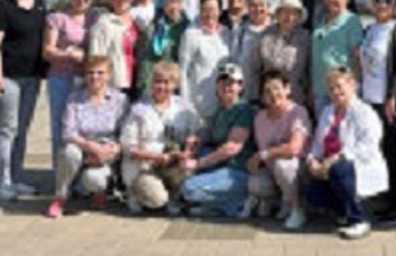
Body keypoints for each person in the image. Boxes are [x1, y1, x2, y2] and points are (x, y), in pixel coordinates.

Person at [0, 0, 48, 202]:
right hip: (7, 78)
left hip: (32, 77)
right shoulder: (2, 8)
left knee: (22, 130)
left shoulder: (40, 3)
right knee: (6, 129)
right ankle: (3, 181)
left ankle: (17, 176)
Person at [305, 67, 388, 239]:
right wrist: (312, 160)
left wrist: (338, 157)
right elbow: (318, 143)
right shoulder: (328, 111)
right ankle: (342, 212)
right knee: (313, 191)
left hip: (356, 167)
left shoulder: (364, 112)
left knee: (340, 169)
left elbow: (369, 146)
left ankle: (360, 220)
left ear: (352, 85)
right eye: (331, 88)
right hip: (329, 167)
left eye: (339, 86)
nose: (335, 92)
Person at [46, 55, 128, 218]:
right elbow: (68, 132)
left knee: (94, 179)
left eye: (100, 73)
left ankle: (98, 192)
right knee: (68, 152)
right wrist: (90, 147)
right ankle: (60, 197)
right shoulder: (74, 98)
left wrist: (111, 150)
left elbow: (126, 134)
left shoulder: (120, 100)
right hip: (81, 146)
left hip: (107, 150)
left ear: (109, 75)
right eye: (90, 72)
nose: (95, 77)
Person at [359, 0, 396, 223]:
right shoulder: (370, 29)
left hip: (388, 102)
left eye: (388, 1)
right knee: (378, 152)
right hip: (369, 100)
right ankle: (384, 198)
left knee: (395, 153)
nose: (382, 5)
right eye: (378, 0)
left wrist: (393, 96)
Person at [178, 61, 256, 217]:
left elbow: (232, 147)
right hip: (221, 165)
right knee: (196, 156)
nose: (227, 87)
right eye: (223, 82)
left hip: (237, 170)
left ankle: (241, 201)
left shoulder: (243, 110)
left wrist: (199, 163)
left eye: (232, 83)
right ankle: (221, 206)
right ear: (217, 86)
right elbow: (212, 136)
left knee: (189, 189)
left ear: (240, 87)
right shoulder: (221, 109)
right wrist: (196, 140)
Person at [120, 60, 199, 214]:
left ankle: (174, 196)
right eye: (158, 82)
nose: (162, 87)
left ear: (175, 84)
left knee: (187, 167)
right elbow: (128, 147)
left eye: (167, 82)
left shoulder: (185, 107)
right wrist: (156, 157)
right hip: (143, 165)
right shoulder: (139, 109)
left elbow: (196, 134)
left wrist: (189, 150)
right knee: (157, 201)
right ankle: (135, 193)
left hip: (171, 162)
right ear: (151, 83)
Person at [44, 0, 100, 180]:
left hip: (88, 80)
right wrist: (68, 54)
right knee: (61, 126)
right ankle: (60, 176)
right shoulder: (57, 18)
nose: (82, 0)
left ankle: (80, 177)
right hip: (61, 77)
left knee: (85, 128)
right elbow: (47, 51)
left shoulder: (95, 18)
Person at [245, 69, 311, 227]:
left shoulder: (298, 112)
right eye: (267, 91)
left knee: (283, 165)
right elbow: (266, 155)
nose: (273, 94)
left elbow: (294, 149)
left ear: (287, 89)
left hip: (300, 170)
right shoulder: (260, 118)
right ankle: (281, 200)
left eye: (277, 88)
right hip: (274, 169)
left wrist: (264, 154)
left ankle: (297, 209)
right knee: (255, 183)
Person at [309, 0, 363, 114]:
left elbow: (358, 57)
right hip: (320, 90)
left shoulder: (351, 21)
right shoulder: (321, 21)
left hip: (341, 90)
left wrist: (354, 88)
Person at [252, 0, 312, 113]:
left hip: (295, 96)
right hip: (269, 96)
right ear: (278, 14)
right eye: (285, 12)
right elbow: (255, 68)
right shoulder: (265, 35)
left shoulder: (306, 37)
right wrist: (256, 96)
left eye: (294, 13)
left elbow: (310, 68)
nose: (289, 17)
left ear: (299, 17)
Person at [177, 0, 231, 118]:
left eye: (212, 9)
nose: (209, 14)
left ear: (220, 11)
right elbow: (183, 70)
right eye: (204, 10)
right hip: (199, 99)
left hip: (223, 98)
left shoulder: (227, 33)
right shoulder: (191, 34)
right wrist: (186, 102)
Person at [87, 0, 140, 95]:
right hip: (116, 81)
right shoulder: (102, 24)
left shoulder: (136, 22)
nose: (121, 0)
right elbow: (96, 57)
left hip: (137, 80)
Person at [134, 0, 188, 97]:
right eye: (169, 2)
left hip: (181, 86)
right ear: (163, 4)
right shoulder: (153, 29)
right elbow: (145, 61)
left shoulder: (189, 28)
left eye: (177, 2)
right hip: (159, 86)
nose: (173, 6)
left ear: (182, 4)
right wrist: (145, 89)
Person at [229, 0, 275, 97]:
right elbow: (233, 60)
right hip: (245, 91)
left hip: (270, 94)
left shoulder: (275, 30)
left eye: (261, 5)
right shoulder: (240, 31)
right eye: (253, 5)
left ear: (268, 7)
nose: (257, 9)